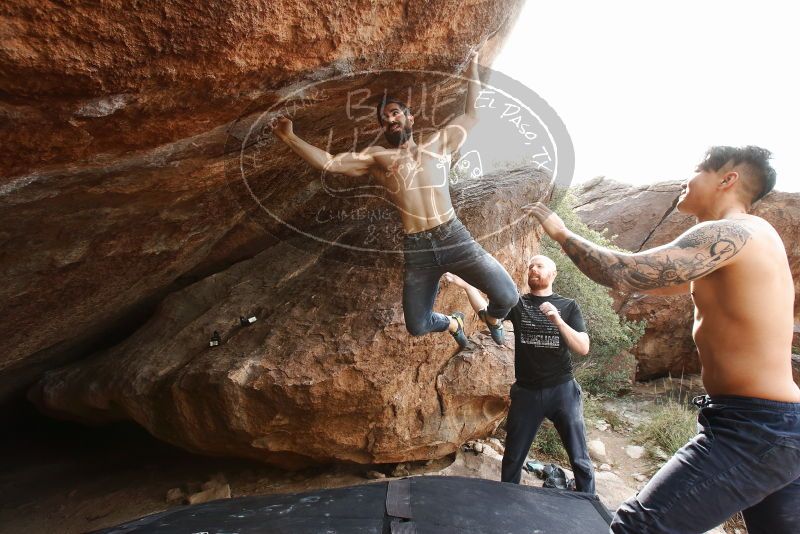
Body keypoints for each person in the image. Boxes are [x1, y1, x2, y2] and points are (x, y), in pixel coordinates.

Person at [526, 146, 800, 533]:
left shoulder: (730, 232)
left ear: (727, 178)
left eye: (697, 169)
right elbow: (653, 282)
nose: (687, 180)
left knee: (638, 528)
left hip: (754, 429)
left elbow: (625, 273)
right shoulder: (757, 238)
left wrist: (559, 230)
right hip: (778, 426)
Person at [271, 53, 517, 350]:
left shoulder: (439, 143)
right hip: (418, 247)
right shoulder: (378, 158)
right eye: (384, 119)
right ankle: (453, 322)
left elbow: (472, 114)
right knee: (417, 325)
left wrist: (473, 67)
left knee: (508, 297)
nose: (389, 119)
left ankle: (492, 318)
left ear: (410, 118)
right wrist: (289, 137)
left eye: (395, 113)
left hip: (453, 236)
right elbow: (330, 163)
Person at [444, 254, 596, 493]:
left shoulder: (568, 306)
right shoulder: (519, 303)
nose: (533, 269)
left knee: (579, 457)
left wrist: (557, 320)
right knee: (513, 457)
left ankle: (589, 504)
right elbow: (487, 315)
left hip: (562, 390)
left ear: (553, 274)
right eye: (530, 266)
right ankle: (507, 503)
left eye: (540, 265)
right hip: (526, 393)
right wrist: (466, 286)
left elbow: (583, 347)